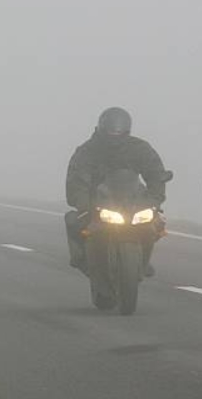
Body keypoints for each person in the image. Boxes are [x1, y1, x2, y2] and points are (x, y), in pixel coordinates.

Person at [65, 107, 167, 277]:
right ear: (102, 129)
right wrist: (83, 204)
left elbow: (156, 173)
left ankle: (143, 260)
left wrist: (154, 200)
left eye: (118, 133)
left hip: (133, 202)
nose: (114, 137)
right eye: (111, 133)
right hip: (97, 203)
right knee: (73, 221)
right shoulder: (87, 151)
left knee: (156, 224)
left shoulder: (140, 148)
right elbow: (75, 180)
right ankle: (82, 258)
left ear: (127, 130)